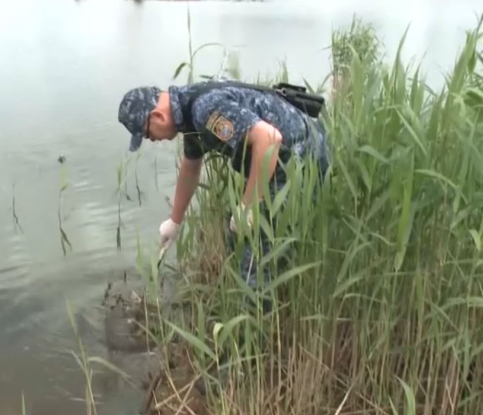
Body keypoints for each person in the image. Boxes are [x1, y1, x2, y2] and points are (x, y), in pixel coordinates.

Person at [117, 80, 330, 288]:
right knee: (236, 236)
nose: (152, 140)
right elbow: (191, 166)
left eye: (147, 134)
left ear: (157, 116)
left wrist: (249, 206)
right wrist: (175, 222)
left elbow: (269, 139)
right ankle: (256, 293)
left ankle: (259, 311)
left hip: (302, 157)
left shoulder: (204, 110)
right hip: (280, 161)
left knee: (256, 256)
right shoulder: (187, 109)